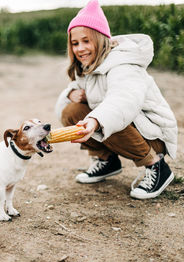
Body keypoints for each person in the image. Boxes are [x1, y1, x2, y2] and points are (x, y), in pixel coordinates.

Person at [55, 0, 178, 199]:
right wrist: (71, 94)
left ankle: (157, 166)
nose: (80, 48)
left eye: (86, 41)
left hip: (154, 134)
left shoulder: (123, 64)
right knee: (73, 111)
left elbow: (124, 101)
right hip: (129, 127)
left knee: (108, 117)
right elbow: (70, 100)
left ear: (100, 38)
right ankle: (107, 161)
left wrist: (95, 121)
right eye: (75, 43)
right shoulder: (87, 66)